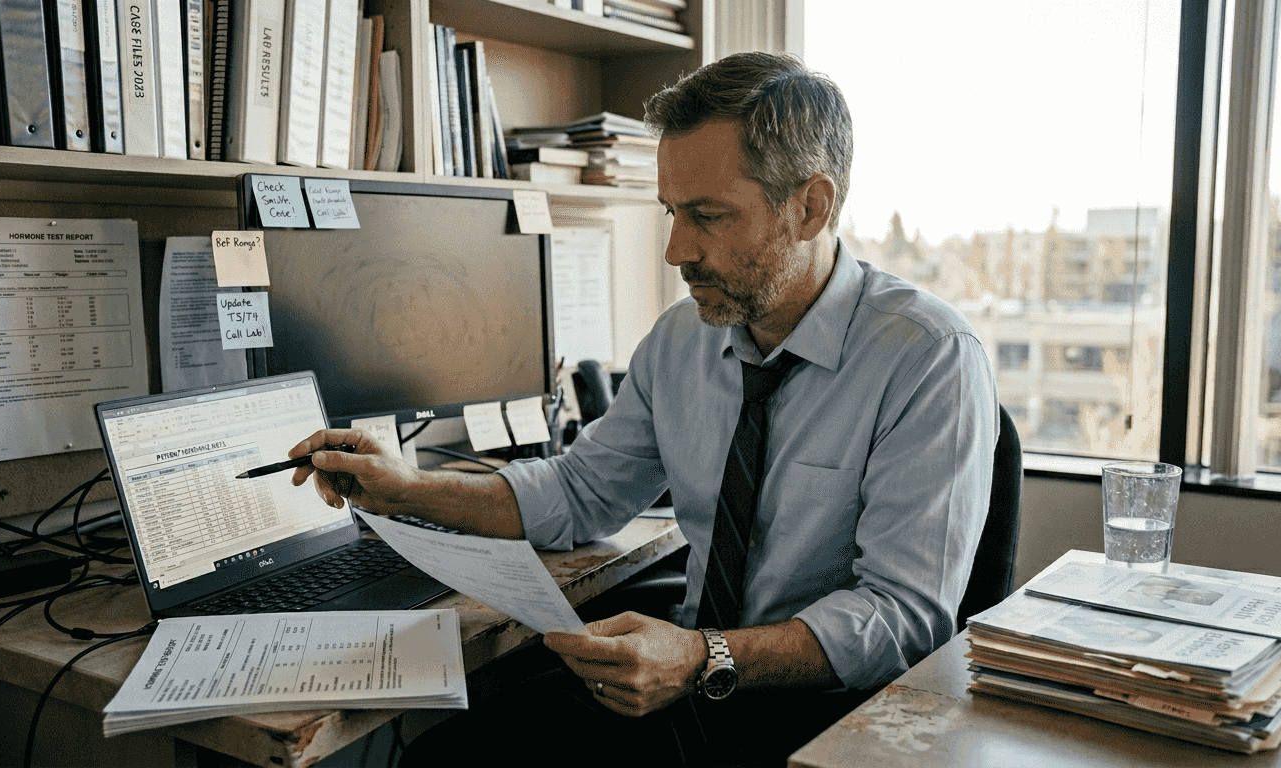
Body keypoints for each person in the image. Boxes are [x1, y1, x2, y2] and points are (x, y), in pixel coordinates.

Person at [289, 51, 999, 766]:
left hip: (824, 714)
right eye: (670, 213)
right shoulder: (683, 340)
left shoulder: (927, 356)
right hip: (685, 685)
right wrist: (410, 489)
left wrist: (701, 654)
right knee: (451, 756)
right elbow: (579, 492)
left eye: (708, 216)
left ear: (810, 207)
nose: (674, 251)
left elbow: (903, 618)